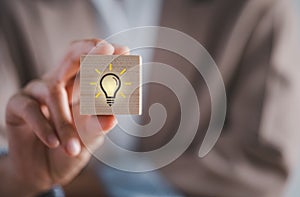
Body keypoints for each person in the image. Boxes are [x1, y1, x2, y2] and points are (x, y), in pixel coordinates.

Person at [0, 0, 300, 196]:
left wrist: (96, 188)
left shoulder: (258, 9)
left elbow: (262, 164)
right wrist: (18, 178)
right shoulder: (11, 9)